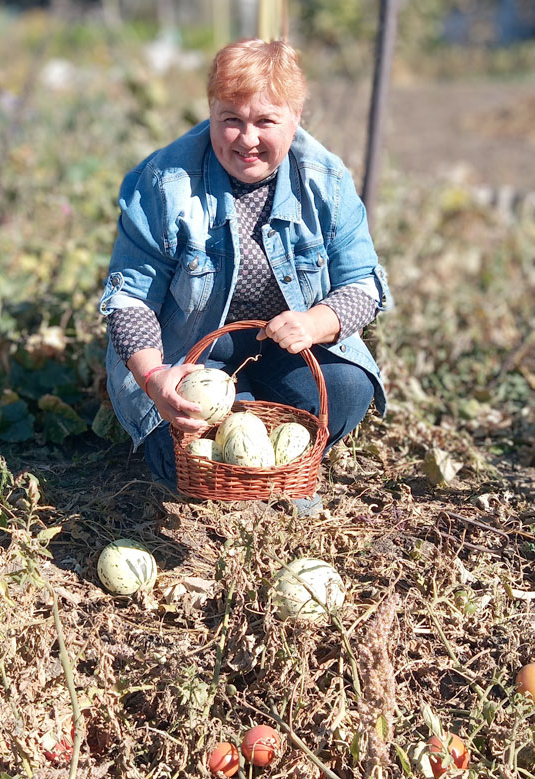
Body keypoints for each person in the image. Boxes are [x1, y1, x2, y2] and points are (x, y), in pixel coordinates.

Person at [99, 38, 392, 510]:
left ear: (295, 118)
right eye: (230, 120)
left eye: (265, 121)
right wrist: (155, 379)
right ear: (211, 112)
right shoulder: (165, 182)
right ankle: (250, 438)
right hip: (188, 353)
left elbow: (365, 284)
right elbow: (129, 301)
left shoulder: (325, 181)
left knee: (347, 388)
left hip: (282, 353)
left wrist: (316, 322)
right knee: (180, 465)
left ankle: (263, 442)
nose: (247, 139)